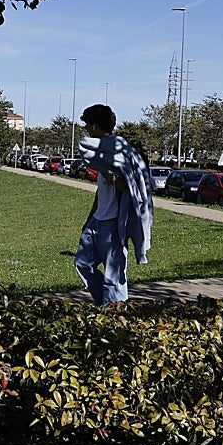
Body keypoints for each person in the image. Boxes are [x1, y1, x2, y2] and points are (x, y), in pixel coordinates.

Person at [73, 104, 154, 304]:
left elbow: (132, 188)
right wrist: (89, 218)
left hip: (113, 223)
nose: (86, 131)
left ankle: (115, 314)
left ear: (95, 125)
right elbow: (101, 192)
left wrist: (114, 180)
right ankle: (106, 305)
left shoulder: (117, 150)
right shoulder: (103, 154)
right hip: (98, 219)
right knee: (82, 263)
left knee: (114, 274)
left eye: (87, 126)